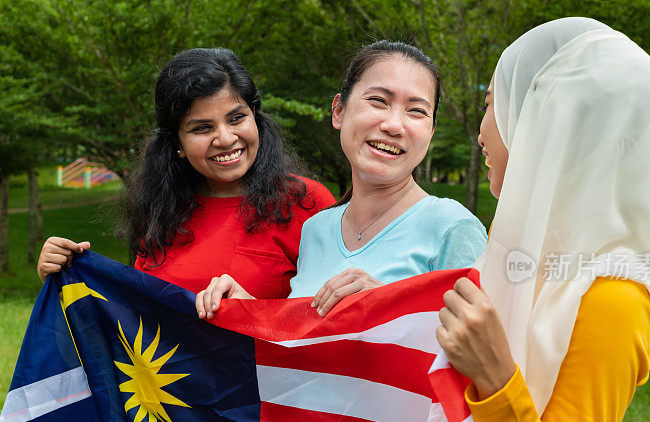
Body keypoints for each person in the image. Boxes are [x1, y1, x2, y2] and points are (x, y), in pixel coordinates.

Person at [436, 18, 650, 422]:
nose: (483, 130)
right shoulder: (532, 257)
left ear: (549, 118)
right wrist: (382, 306)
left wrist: (496, 377)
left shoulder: (616, 294)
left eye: (492, 104)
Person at [196, 41, 487, 319]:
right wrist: (248, 309)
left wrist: (391, 306)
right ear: (338, 111)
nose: (394, 125)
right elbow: (308, 342)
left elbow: (484, 355)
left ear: (431, 131)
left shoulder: (452, 228)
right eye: (378, 101)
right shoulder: (315, 230)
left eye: (416, 111)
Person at [37, 48, 335, 295]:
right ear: (177, 142)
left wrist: (250, 312)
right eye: (202, 128)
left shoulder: (306, 202)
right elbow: (139, 321)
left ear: (255, 118)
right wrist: (66, 279)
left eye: (236, 118)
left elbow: (334, 323)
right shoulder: (162, 211)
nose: (226, 138)